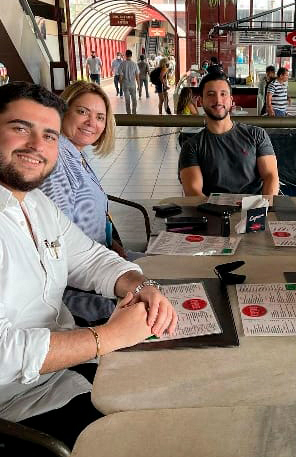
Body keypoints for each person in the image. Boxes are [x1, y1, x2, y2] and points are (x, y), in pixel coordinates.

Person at [0, 82, 177, 455]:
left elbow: (90, 258)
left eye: (49, 135)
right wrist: (107, 337)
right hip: (17, 409)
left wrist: (140, 285)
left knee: (171, 392)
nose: (36, 145)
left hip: (64, 374)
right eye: (20, 128)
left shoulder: (35, 204)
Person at [39, 80, 125, 322]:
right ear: (63, 111)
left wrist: (113, 247)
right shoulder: (58, 162)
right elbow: (58, 242)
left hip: (100, 260)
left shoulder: (75, 154)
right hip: (77, 286)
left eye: (100, 117)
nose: (91, 122)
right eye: (82, 112)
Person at [178, 72, 279, 196]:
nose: (218, 100)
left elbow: (271, 176)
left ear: (231, 100)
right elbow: (194, 192)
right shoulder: (191, 146)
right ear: (201, 101)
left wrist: (265, 205)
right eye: (211, 94)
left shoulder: (257, 135)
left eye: (223, 94)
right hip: (211, 207)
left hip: (254, 206)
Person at [119, 49, 140, 115]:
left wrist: (121, 85)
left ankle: (128, 113)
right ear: (131, 55)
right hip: (132, 84)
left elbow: (121, 77)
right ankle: (134, 112)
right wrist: (139, 85)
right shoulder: (135, 64)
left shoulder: (122, 64)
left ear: (126, 55)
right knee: (134, 99)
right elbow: (137, 76)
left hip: (125, 84)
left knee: (127, 100)